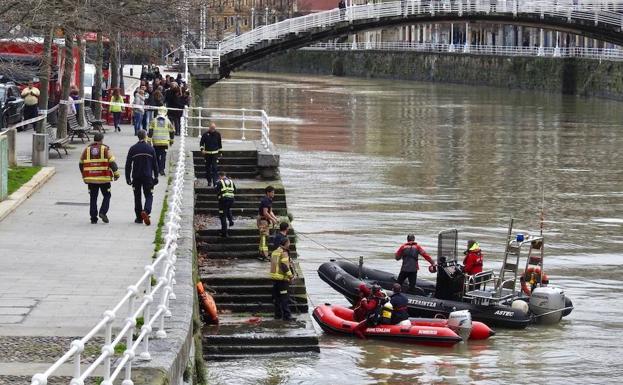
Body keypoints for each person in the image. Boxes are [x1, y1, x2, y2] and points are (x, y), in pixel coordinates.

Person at [79, 132, 120, 224]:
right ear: (102, 140)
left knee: (93, 197)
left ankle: (93, 218)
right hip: (104, 178)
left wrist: (84, 175)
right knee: (107, 195)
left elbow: (81, 163)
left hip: (91, 179)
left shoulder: (87, 150)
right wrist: (116, 174)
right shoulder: (106, 149)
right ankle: (103, 212)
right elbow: (112, 162)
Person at [125, 129, 159, 225]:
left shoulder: (133, 148)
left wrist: (127, 177)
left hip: (136, 176)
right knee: (149, 195)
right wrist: (156, 176)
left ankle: (139, 217)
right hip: (147, 176)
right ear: (145, 137)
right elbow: (155, 164)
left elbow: (128, 164)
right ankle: (146, 211)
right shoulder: (150, 148)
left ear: (138, 137)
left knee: (137, 196)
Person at [270, 237, 296, 321]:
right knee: (284, 298)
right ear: (286, 243)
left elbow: (276, 264)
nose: (290, 244)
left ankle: (277, 315)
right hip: (282, 280)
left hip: (274, 278)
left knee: (277, 298)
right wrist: (291, 276)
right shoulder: (284, 253)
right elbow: (284, 266)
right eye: (289, 242)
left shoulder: (275, 252)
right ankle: (287, 316)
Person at [148, 107, 175, 176]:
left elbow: (150, 131)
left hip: (156, 142)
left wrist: (149, 140)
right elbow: (172, 131)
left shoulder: (153, 120)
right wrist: (171, 140)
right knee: (163, 156)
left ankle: (156, 169)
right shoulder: (167, 121)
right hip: (164, 142)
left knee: (156, 156)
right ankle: (162, 170)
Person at [258, 185, 279, 260]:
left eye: (274, 192)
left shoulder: (269, 200)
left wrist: (275, 218)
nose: (274, 194)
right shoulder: (265, 200)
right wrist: (272, 220)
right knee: (264, 237)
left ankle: (262, 254)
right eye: (272, 192)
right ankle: (264, 255)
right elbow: (265, 213)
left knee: (264, 237)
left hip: (265, 220)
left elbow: (270, 211)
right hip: (263, 220)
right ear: (268, 193)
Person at [215, 171, 236, 237]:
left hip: (223, 201)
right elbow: (235, 190)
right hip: (231, 200)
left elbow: (216, 190)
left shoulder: (220, 182)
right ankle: (230, 220)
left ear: (220, 176)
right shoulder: (231, 181)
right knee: (227, 209)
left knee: (222, 216)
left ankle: (224, 233)